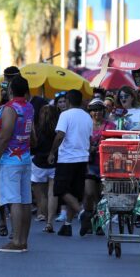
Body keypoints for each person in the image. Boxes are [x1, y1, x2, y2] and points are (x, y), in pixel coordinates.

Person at [0, 76, 36, 253]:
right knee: (25, 201)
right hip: (25, 158)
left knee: (14, 201)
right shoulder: (29, 106)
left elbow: (4, 135)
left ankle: (16, 241)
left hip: (10, 161)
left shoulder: (10, 109)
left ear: (10, 90)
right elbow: (32, 133)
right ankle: (23, 240)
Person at [48, 90, 92, 237]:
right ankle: (67, 225)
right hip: (82, 158)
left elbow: (60, 135)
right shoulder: (87, 117)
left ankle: (82, 213)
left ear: (68, 100)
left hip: (67, 158)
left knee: (60, 189)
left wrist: (52, 152)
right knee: (74, 193)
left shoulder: (65, 115)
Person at [84, 98, 115, 235]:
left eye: (99, 110)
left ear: (104, 111)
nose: (97, 113)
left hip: (106, 165)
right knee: (90, 193)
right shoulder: (85, 125)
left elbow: (114, 144)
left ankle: (99, 224)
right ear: (90, 112)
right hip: (90, 164)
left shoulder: (110, 126)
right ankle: (87, 219)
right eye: (94, 110)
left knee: (102, 197)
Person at [30, 104, 59, 234]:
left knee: (41, 195)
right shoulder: (58, 129)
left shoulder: (37, 128)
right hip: (54, 162)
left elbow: (33, 145)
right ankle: (49, 222)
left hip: (38, 163)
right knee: (52, 193)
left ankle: (44, 216)